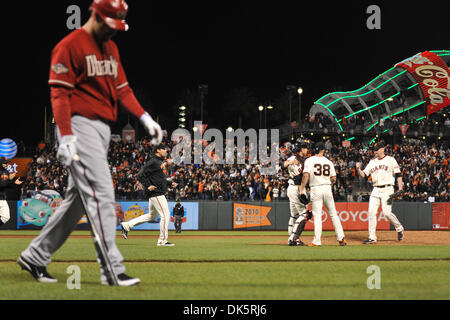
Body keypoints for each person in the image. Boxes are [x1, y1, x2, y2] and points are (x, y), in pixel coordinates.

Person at [18, 0, 162, 286]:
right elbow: (59, 94)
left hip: (101, 130)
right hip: (78, 125)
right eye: (110, 26)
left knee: (76, 203)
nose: (113, 33)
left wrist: (144, 117)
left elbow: (122, 89)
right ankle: (112, 269)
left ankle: (34, 256)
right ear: (95, 15)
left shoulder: (110, 48)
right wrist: (67, 134)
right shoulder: (69, 45)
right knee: (102, 194)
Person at [121, 144, 177, 246]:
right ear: (158, 150)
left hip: (156, 192)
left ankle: (127, 225)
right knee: (165, 215)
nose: (165, 151)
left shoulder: (158, 162)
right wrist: (147, 186)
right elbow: (140, 174)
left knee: (151, 216)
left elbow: (160, 178)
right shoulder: (153, 161)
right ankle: (162, 241)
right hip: (156, 193)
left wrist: (170, 183)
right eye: (164, 149)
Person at [356, 141, 404, 244]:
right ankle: (372, 237)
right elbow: (364, 175)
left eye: (377, 149)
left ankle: (399, 228)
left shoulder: (391, 160)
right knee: (371, 212)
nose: (375, 151)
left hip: (388, 189)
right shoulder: (372, 162)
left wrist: (400, 187)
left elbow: (398, 174)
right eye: (375, 150)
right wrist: (358, 169)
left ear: (382, 149)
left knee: (387, 213)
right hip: (376, 189)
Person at [299, 142, 346, 246]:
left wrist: (301, 188)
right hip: (327, 187)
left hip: (316, 188)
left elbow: (306, 175)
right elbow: (334, 178)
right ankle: (341, 238)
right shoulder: (328, 162)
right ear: (323, 150)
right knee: (333, 214)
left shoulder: (309, 160)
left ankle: (317, 241)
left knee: (317, 216)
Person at [284, 141, 312, 246]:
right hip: (296, 188)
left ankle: (291, 237)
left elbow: (284, 164)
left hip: (291, 187)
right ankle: (294, 238)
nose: (306, 150)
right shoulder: (295, 158)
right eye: (305, 148)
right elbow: (284, 165)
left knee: (294, 215)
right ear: (301, 149)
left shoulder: (296, 159)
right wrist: (290, 163)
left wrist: (289, 163)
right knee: (304, 214)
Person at [0, 157, 23, 227]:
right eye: (5, 163)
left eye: (7, 163)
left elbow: (6, 185)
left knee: (6, 217)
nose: (7, 164)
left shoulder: (6, 172)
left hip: (2, 198)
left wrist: (13, 182)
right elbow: (1, 184)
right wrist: (10, 180)